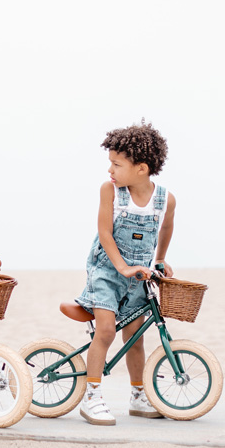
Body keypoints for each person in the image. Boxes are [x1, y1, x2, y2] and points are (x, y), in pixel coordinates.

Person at [72, 121, 176, 425]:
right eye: (110, 164)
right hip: (106, 271)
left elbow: (166, 227)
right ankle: (92, 396)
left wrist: (160, 259)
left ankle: (138, 394)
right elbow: (104, 232)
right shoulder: (111, 192)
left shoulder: (165, 199)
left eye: (117, 165)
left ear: (141, 168)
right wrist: (121, 267)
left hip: (139, 276)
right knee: (105, 331)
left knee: (135, 337)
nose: (110, 171)